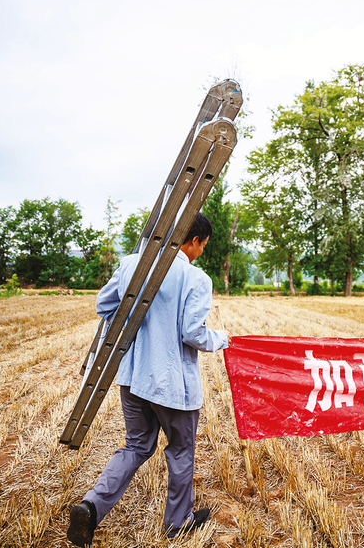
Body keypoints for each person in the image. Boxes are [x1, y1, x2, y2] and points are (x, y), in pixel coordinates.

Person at [67, 213, 231, 547]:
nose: (201, 251)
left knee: (136, 445)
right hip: (171, 384)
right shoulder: (195, 278)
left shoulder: (131, 264)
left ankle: (91, 506)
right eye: (203, 245)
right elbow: (192, 333)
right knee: (181, 450)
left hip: (131, 376)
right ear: (195, 241)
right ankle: (178, 522)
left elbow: (104, 304)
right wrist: (221, 338)